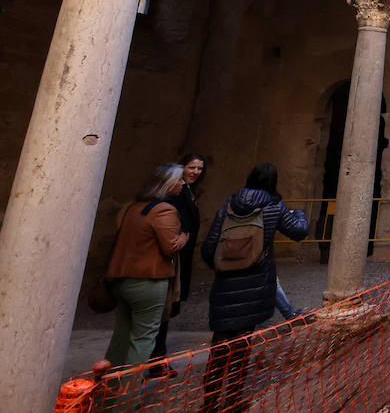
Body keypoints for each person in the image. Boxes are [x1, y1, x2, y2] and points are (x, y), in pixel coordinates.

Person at [200, 162, 307, 411]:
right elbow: (299, 232)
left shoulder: (227, 206)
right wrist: (299, 213)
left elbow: (208, 249)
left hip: (225, 285)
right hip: (255, 284)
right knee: (241, 347)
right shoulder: (273, 206)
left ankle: (210, 402)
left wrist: (227, 265)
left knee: (219, 346)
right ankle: (233, 400)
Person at [103, 163, 188, 367]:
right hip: (148, 281)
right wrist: (185, 236)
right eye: (179, 180)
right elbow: (170, 246)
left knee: (121, 338)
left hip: (121, 278)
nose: (183, 183)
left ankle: (111, 395)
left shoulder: (131, 208)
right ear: (167, 184)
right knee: (143, 339)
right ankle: (129, 397)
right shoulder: (163, 210)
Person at [149, 153, 205, 368]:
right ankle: (155, 359)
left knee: (167, 307)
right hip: (173, 257)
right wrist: (183, 238)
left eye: (199, 169)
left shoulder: (187, 192)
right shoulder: (171, 199)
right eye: (191, 168)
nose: (195, 173)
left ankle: (156, 355)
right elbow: (174, 232)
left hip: (181, 256)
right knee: (162, 309)